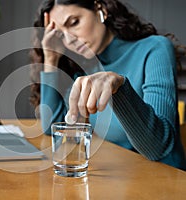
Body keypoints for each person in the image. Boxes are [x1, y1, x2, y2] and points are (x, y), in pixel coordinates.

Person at [29, 0, 186, 170]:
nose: (70, 40)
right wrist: (51, 58)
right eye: (61, 35)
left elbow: (157, 148)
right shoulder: (86, 71)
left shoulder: (155, 49)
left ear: (99, 9)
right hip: (122, 179)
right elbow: (54, 127)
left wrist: (119, 88)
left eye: (74, 23)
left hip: (166, 183)